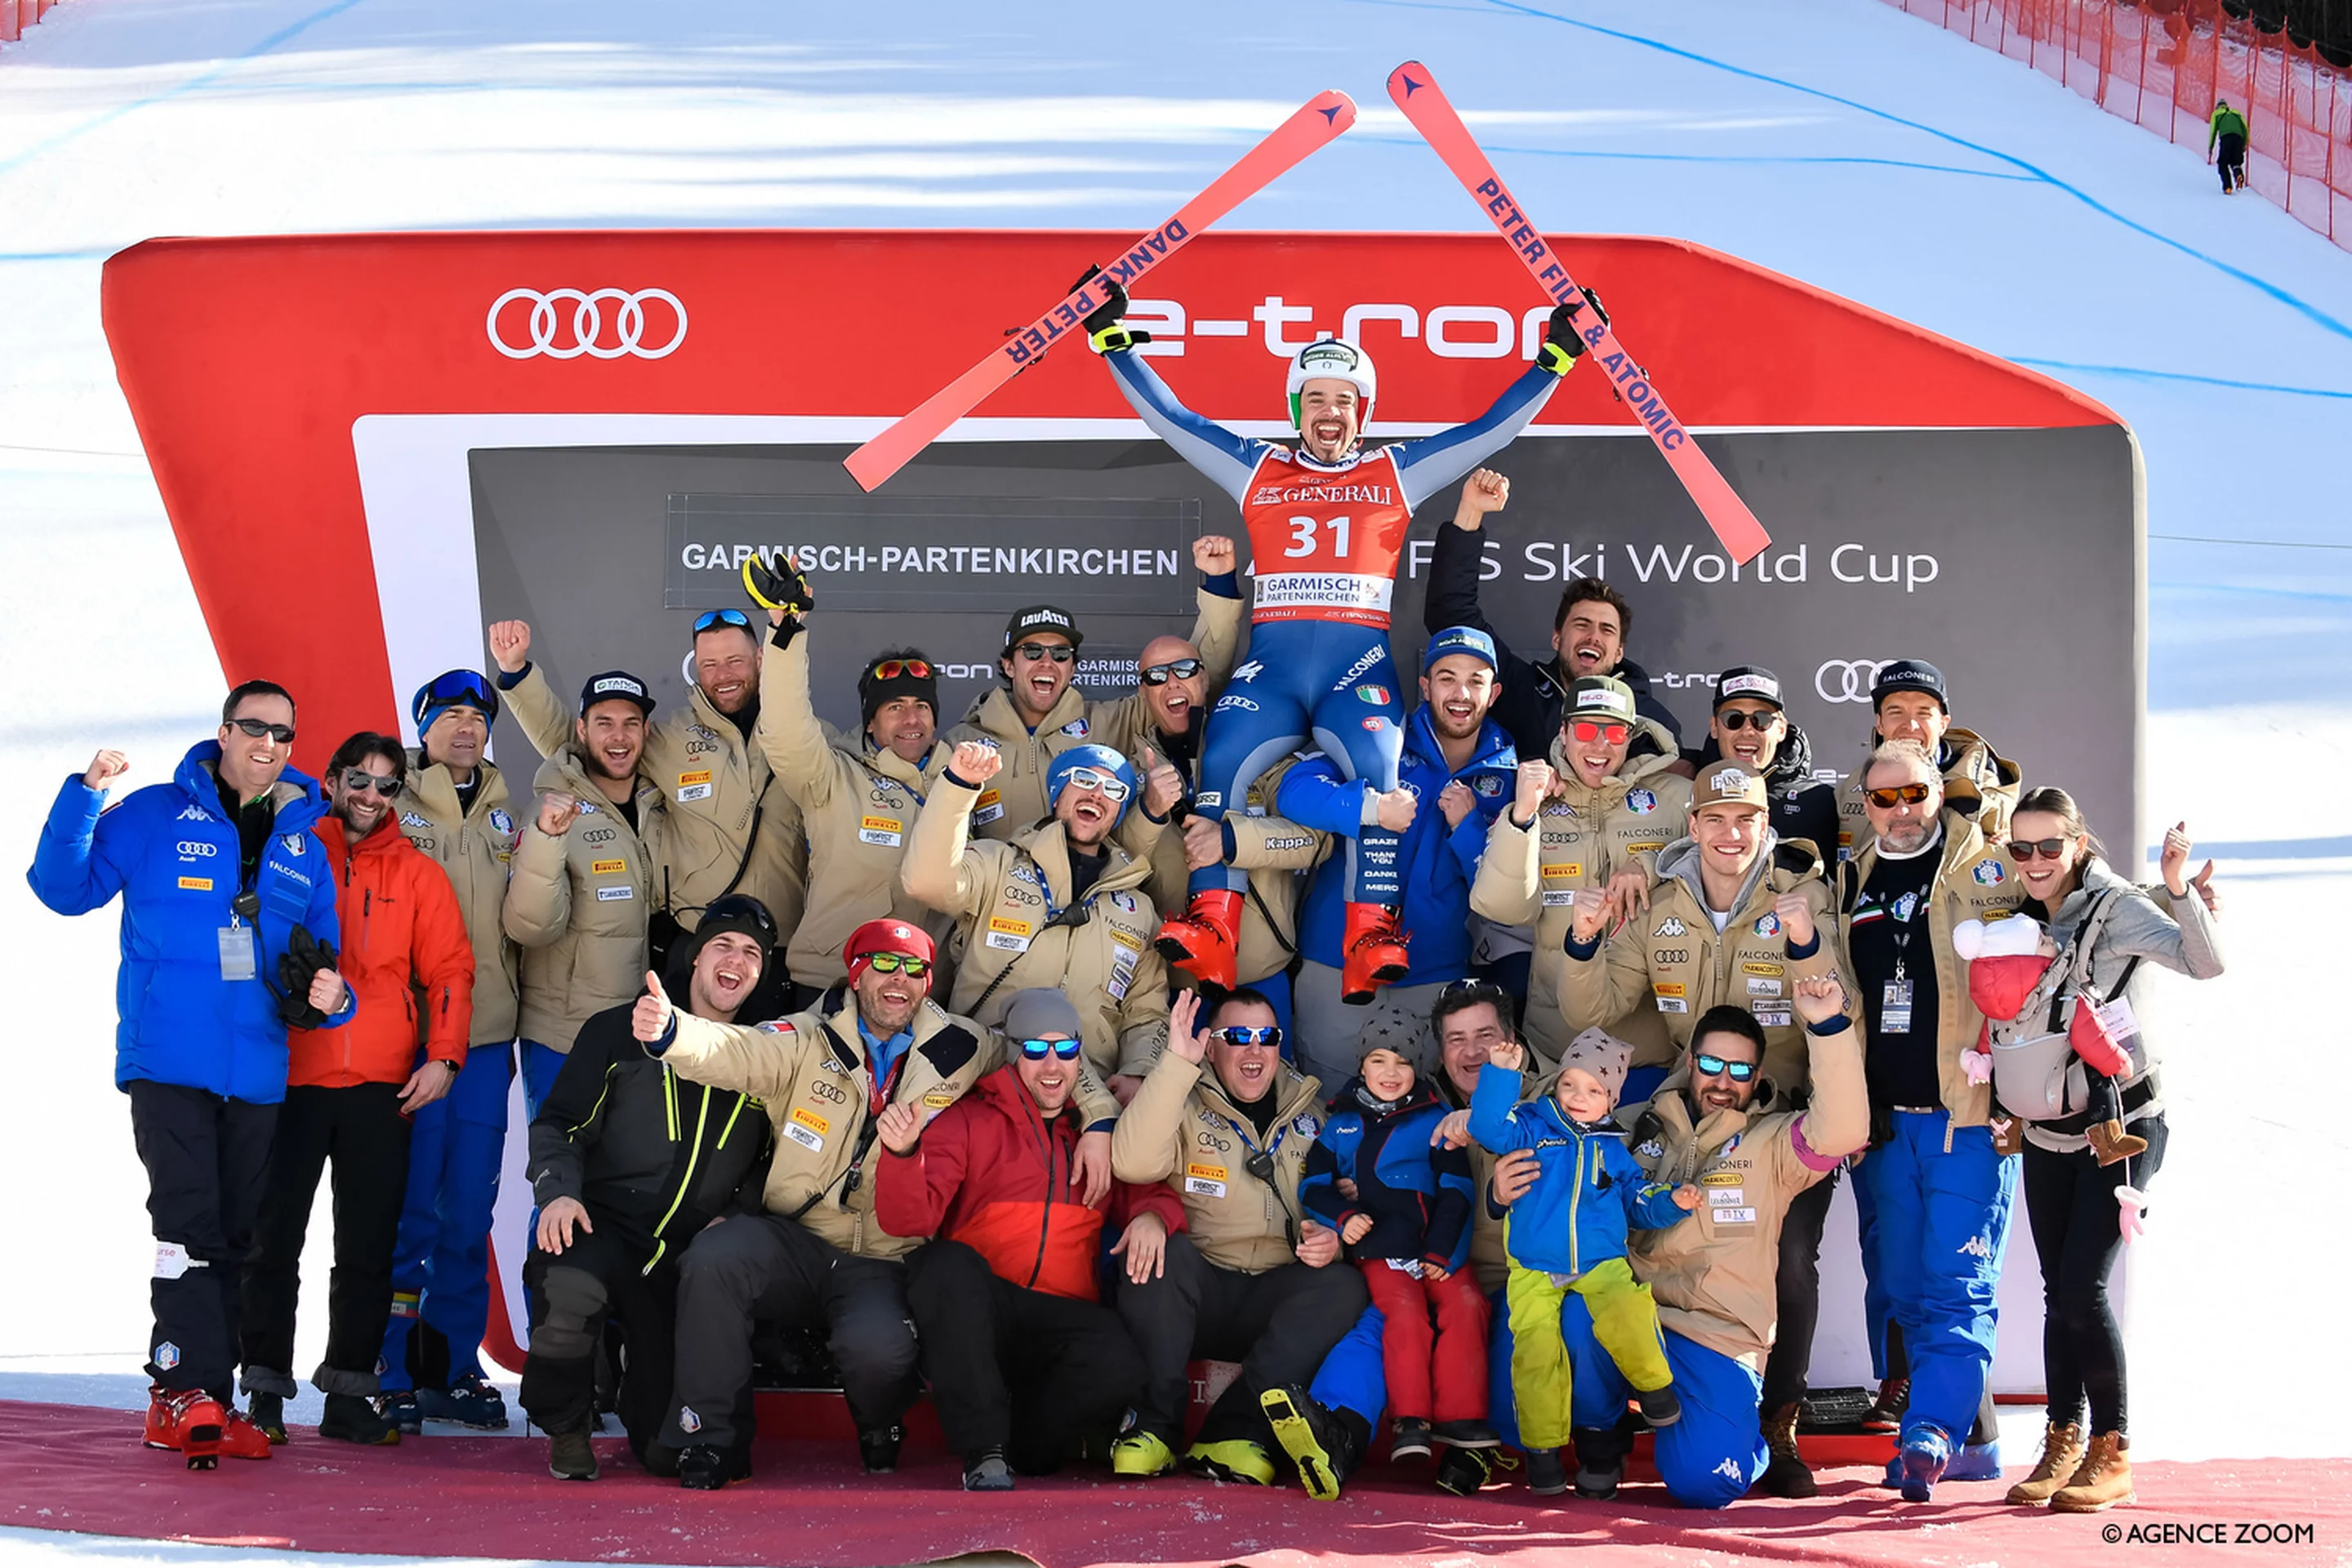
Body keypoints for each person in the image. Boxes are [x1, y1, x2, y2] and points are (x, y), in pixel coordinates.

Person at [1085, 280, 1600, 1001]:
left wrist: (1557, 357)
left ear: (1365, 411)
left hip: (1356, 666)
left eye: (1346, 401)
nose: (1331, 414)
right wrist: (1113, 342)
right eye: (1317, 399)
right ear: (1298, 407)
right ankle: (1211, 923)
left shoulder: (1394, 470)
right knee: (1223, 755)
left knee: (1379, 765)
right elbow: (1174, 420)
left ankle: (1371, 930)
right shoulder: (1258, 464)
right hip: (1272, 665)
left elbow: (1488, 430)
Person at [638, 917, 1116, 1488]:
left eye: (915, 969)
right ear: (857, 974)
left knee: (880, 1351)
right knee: (713, 1258)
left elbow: (1051, 1059)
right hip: (799, 1237)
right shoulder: (805, 1038)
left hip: (887, 1257)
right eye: (884, 965)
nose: (900, 980)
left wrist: (1101, 1118)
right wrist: (673, 1033)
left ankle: (880, 1424)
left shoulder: (961, 1046)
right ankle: (708, 1440)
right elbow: (735, 1050)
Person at [29, 681, 354, 1468]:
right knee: (188, 1225)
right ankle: (179, 1388)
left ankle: (212, 1395)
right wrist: (86, 794)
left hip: (258, 1074)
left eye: (284, 732)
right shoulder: (150, 813)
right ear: (224, 731)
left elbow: (326, 966)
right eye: (255, 728)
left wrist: (333, 998)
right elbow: (62, 889)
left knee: (240, 1236)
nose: (268, 745)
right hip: (169, 1062)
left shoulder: (305, 844)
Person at [1558, 762, 1845, 1484]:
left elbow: (1845, 1011)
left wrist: (1809, 949)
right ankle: (1629, 1403)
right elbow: (1592, 1011)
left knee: (1790, 1265)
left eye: (1745, 819)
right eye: (1714, 819)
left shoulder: (1801, 898)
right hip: (1693, 1112)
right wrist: (1584, 940)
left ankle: (1777, 1424)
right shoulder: (1660, 900)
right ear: (1692, 826)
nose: (1730, 833)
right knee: (1638, 1237)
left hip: (1781, 1123)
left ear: (1765, 827)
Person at [241, 733, 474, 1449]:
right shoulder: (293, 851)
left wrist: (446, 1059)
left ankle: (349, 1392)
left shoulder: (419, 874)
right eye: (359, 781)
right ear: (334, 780)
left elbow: (452, 971)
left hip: (381, 1085)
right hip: (291, 1080)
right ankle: (264, 1393)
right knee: (273, 1240)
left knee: (369, 1248)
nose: (372, 797)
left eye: (387, 786)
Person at [1996, 791, 2221, 1514]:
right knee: (2055, 1292)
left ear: (2079, 843)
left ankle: (2111, 1449)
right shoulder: (2019, 912)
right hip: (2043, 1129)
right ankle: (2062, 1439)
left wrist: (2177, 888)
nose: (2033, 863)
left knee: (2084, 1289)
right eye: (2020, 850)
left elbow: (2203, 961)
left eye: (2048, 848)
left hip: (2118, 1125)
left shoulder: (2116, 906)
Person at [1567, 987, 1865, 1506]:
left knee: (1706, 1483)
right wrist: (1498, 1184)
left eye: (1740, 1070)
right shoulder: (1630, 1123)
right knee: (1576, 1313)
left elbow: (1843, 1131)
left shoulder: (1775, 1142)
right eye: (1710, 1063)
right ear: (1690, 1061)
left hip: (1717, 1339)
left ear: (1758, 1076)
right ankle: (1603, 1440)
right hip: (1635, 1317)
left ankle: (1742, 1436)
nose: (1723, 1081)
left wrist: (1828, 1028)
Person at [1820, 742, 2022, 1501]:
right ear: (1864, 806)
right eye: (1882, 799)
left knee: (1958, 1283)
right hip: (1882, 1128)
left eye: (1913, 795)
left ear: (1939, 792)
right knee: (1900, 1284)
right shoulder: (1853, 879)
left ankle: (1931, 1432)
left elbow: (2055, 939)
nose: (1899, 811)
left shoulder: (1990, 867)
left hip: (1965, 1119)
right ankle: (1957, 1437)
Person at [521, 896, 781, 1482]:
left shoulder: (767, 1056)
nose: (735, 961)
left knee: (674, 1456)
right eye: (723, 945)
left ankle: (625, 1371)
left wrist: (740, 1214)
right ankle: (567, 1425)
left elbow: (776, 1162)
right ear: (694, 958)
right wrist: (558, 1192)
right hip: (603, 1225)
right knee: (568, 1282)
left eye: (751, 953)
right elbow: (558, 1124)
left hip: (684, 1259)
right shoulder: (618, 1030)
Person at [875, 989, 1170, 1490]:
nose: (1051, 1065)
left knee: (1119, 1359)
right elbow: (908, 1219)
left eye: (1065, 1050)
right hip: (985, 1311)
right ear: (1013, 1053)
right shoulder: (971, 1120)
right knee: (941, 1265)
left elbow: (1149, 1186)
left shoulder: (1096, 1134)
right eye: (1035, 1050)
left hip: (1059, 1319)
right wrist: (903, 1156)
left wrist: (1153, 1218)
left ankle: (1030, 1445)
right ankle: (984, 1447)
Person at [1108, 987, 1369, 1484]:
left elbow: (1350, 1198)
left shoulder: (1315, 1114)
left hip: (1273, 1291)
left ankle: (1234, 1432)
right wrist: (1173, 1070)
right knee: (1155, 1252)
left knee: (1343, 1287)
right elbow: (1132, 1163)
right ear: (1211, 1048)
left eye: (1267, 1037)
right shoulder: (1179, 1098)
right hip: (1199, 1287)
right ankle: (1155, 1425)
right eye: (1238, 1037)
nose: (1254, 1050)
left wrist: (1336, 1239)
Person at [493, 613, 807, 986]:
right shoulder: (670, 738)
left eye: (734, 661)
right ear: (695, 670)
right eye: (709, 665)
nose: (723, 675)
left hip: (780, 948)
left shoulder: (803, 741)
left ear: (759, 659)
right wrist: (517, 675)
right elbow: (588, 745)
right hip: (695, 943)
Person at [378, 669, 526, 1433]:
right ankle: (391, 1367)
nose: (466, 728)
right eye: (451, 716)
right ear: (424, 727)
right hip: (409, 1040)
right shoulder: (389, 804)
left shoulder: (508, 814)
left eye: (478, 715)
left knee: (468, 1213)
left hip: (488, 1035)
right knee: (409, 1214)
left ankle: (454, 1367)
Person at [1277, 627, 1518, 1078]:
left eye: (1476, 681)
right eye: (1447, 678)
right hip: (1339, 961)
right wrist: (1370, 807)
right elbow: (1294, 792)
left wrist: (1467, 828)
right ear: (1425, 686)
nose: (1461, 694)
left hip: (1434, 974)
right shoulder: (1380, 739)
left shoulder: (1507, 774)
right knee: (1334, 1110)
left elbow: (1503, 889)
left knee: (1421, 1120)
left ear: (1495, 692)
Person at [1472, 1025, 1700, 1495]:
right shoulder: (1532, 1125)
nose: (1578, 1096)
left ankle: (1655, 1390)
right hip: (1533, 1266)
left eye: (1594, 1089)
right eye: (1569, 1083)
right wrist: (1499, 1076)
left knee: (1628, 1309)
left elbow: (1637, 1201)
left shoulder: (1613, 1150)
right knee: (1536, 1355)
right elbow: (1486, 1127)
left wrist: (1673, 1201)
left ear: (1610, 1101)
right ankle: (1543, 1455)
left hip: (1600, 1263)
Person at [902, 739, 1177, 1102]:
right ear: (1058, 793)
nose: (1097, 794)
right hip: (987, 1082)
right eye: (1084, 779)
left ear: (1118, 812)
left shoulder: (1138, 909)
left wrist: (1138, 1070)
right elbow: (924, 882)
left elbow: (1147, 1013)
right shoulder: (998, 865)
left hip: (1086, 1096)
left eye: (1114, 789)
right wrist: (958, 788)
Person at [939, 534, 1242, 842]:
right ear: (1009, 666)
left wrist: (1219, 583)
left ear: (1072, 668)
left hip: (1090, 888)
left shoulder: (1110, 722)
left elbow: (1190, 677)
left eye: (1060, 654)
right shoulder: (963, 743)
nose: (1046, 662)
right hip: (1004, 888)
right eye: (1032, 652)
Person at [1297, 1015, 1490, 1468]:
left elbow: (1457, 1188)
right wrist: (1344, 1218)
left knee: (1466, 1302)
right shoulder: (1341, 1123)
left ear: (1418, 1069)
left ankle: (1461, 1417)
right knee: (1402, 1314)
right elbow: (1313, 1186)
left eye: (1403, 1062)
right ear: (1361, 1067)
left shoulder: (1437, 1117)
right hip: (1380, 1250)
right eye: (1379, 1060)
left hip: (1436, 1248)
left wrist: (1444, 1250)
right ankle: (1410, 1420)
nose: (1390, 1071)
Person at [1470, 675, 1689, 1069]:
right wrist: (1521, 816)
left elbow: (1728, 863)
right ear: (1564, 732)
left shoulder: (1674, 798)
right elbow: (1504, 909)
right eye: (1586, 729)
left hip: (1649, 1046)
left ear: (1631, 735)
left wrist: (1650, 866)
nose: (1600, 746)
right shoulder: (1537, 802)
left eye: (1615, 733)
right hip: (1558, 1044)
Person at [751, 581, 952, 988]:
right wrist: (786, 632)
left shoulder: (960, 785)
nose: (911, 720)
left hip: (923, 989)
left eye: (922, 707)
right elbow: (786, 730)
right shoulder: (832, 777)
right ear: (871, 723)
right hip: (831, 982)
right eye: (895, 708)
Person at [1425, 468, 1686, 760]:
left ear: (1618, 653)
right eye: (1582, 624)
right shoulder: (1522, 692)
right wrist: (1471, 510)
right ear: (1557, 638)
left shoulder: (1647, 718)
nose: (1593, 636)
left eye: (1607, 630)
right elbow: (1450, 614)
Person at [503, 670, 668, 1117]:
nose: (619, 737)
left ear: (646, 731)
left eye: (630, 723)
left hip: (635, 1033)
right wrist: (545, 839)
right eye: (604, 723)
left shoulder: (658, 806)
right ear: (581, 730)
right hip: (564, 1036)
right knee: (560, 1171)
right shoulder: (551, 811)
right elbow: (527, 927)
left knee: (620, 1180)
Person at [1845, 659, 2020, 848]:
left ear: (1943, 723)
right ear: (1879, 723)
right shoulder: (1849, 789)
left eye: (1923, 713)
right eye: (1896, 712)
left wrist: (2020, 837)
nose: (1910, 725)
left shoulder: (1987, 788)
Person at [1680, 667, 1838, 866]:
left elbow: (1838, 883)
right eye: (1733, 719)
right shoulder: (1687, 788)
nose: (1747, 730)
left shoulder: (1818, 800)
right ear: (1714, 727)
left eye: (1761, 720)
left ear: (1781, 729)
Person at [2208, 97, 2248, 193]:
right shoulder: (2237, 113)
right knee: (2236, 161)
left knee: (2222, 162)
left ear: (2218, 107)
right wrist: (2245, 143)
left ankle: (2228, 187)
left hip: (2226, 138)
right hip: (2239, 138)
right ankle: (2238, 174)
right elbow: (2245, 128)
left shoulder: (2216, 114)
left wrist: (2211, 146)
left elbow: (2213, 131)